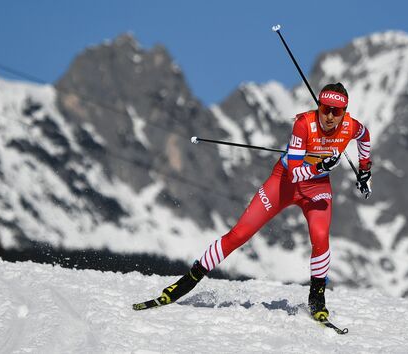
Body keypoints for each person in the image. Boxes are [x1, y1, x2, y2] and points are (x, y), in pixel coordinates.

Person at [156, 82, 371, 320]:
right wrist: (321, 165)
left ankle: (317, 299)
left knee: (320, 238)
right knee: (239, 234)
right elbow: (294, 174)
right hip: (285, 182)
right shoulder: (304, 124)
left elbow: (365, 137)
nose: (330, 116)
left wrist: (364, 170)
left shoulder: (351, 127)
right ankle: (187, 282)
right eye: (325, 108)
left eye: (337, 111)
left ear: (345, 112)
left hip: (317, 187)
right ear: (319, 106)